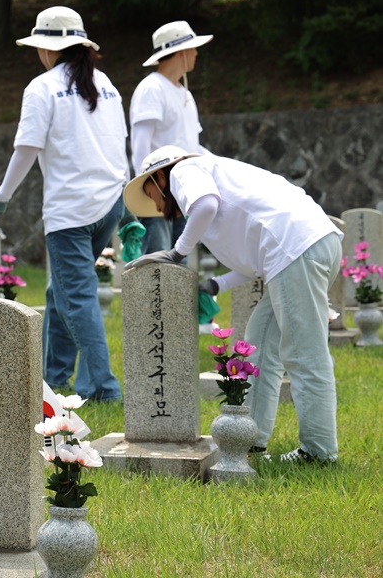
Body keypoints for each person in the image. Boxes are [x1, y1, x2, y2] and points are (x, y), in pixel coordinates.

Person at [124, 146, 343, 463]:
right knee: (258, 347)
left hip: (295, 249)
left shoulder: (184, 171)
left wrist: (177, 252)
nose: (157, 204)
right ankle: (250, 440)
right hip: (304, 247)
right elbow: (252, 261)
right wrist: (215, 284)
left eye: (152, 194)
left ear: (160, 175)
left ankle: (319, 453)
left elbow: (206, 205)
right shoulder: (217, 173)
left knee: (304, 354)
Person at [0, 6, 126, 402]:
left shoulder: (42, 87)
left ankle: (102, 387)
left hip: (70, 213)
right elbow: (121, 145)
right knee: (60, 292)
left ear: (47, 49)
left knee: (77, 296)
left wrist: (0, 202)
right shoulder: (107, 84)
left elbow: (26, 149)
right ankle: (54, 374)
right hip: (109, 204)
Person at [129, 21, 212, 255]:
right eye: (193, 48)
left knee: (179, 262)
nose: (196, 53)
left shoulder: (185, 94)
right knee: (157, 262)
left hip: (183, 192)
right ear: (181, 51)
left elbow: (191, 145)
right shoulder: (151, 88)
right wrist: (145, 191)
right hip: (159, 193)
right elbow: (140, 143)